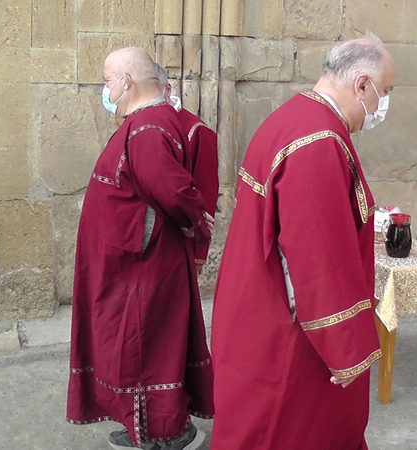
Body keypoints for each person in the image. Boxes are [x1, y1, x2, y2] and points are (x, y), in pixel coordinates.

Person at [209, 34, 396, 450]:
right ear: (361, 85)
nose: (383, 104)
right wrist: (345, 346)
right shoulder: (319, 140)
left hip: (253, 308)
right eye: (384, 92)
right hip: (287, 335)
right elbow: (315, 253)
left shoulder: (293, 117)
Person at [66, 47, 214, 450]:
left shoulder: (148, 124)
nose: (105, 89)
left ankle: (164, 436)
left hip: (143, 267)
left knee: (145, 348)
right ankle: (146, 426)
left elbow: (171, 190)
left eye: (106, 80)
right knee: (139, 346)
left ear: (126, 81)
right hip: (133, 265)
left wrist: (197, 227)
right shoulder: (147, 122)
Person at [154, 63, 219, 275]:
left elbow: (206, 190)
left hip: (180, 238)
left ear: (167, 89)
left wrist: (200, 250)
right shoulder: (140, 123)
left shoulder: (197, 131)